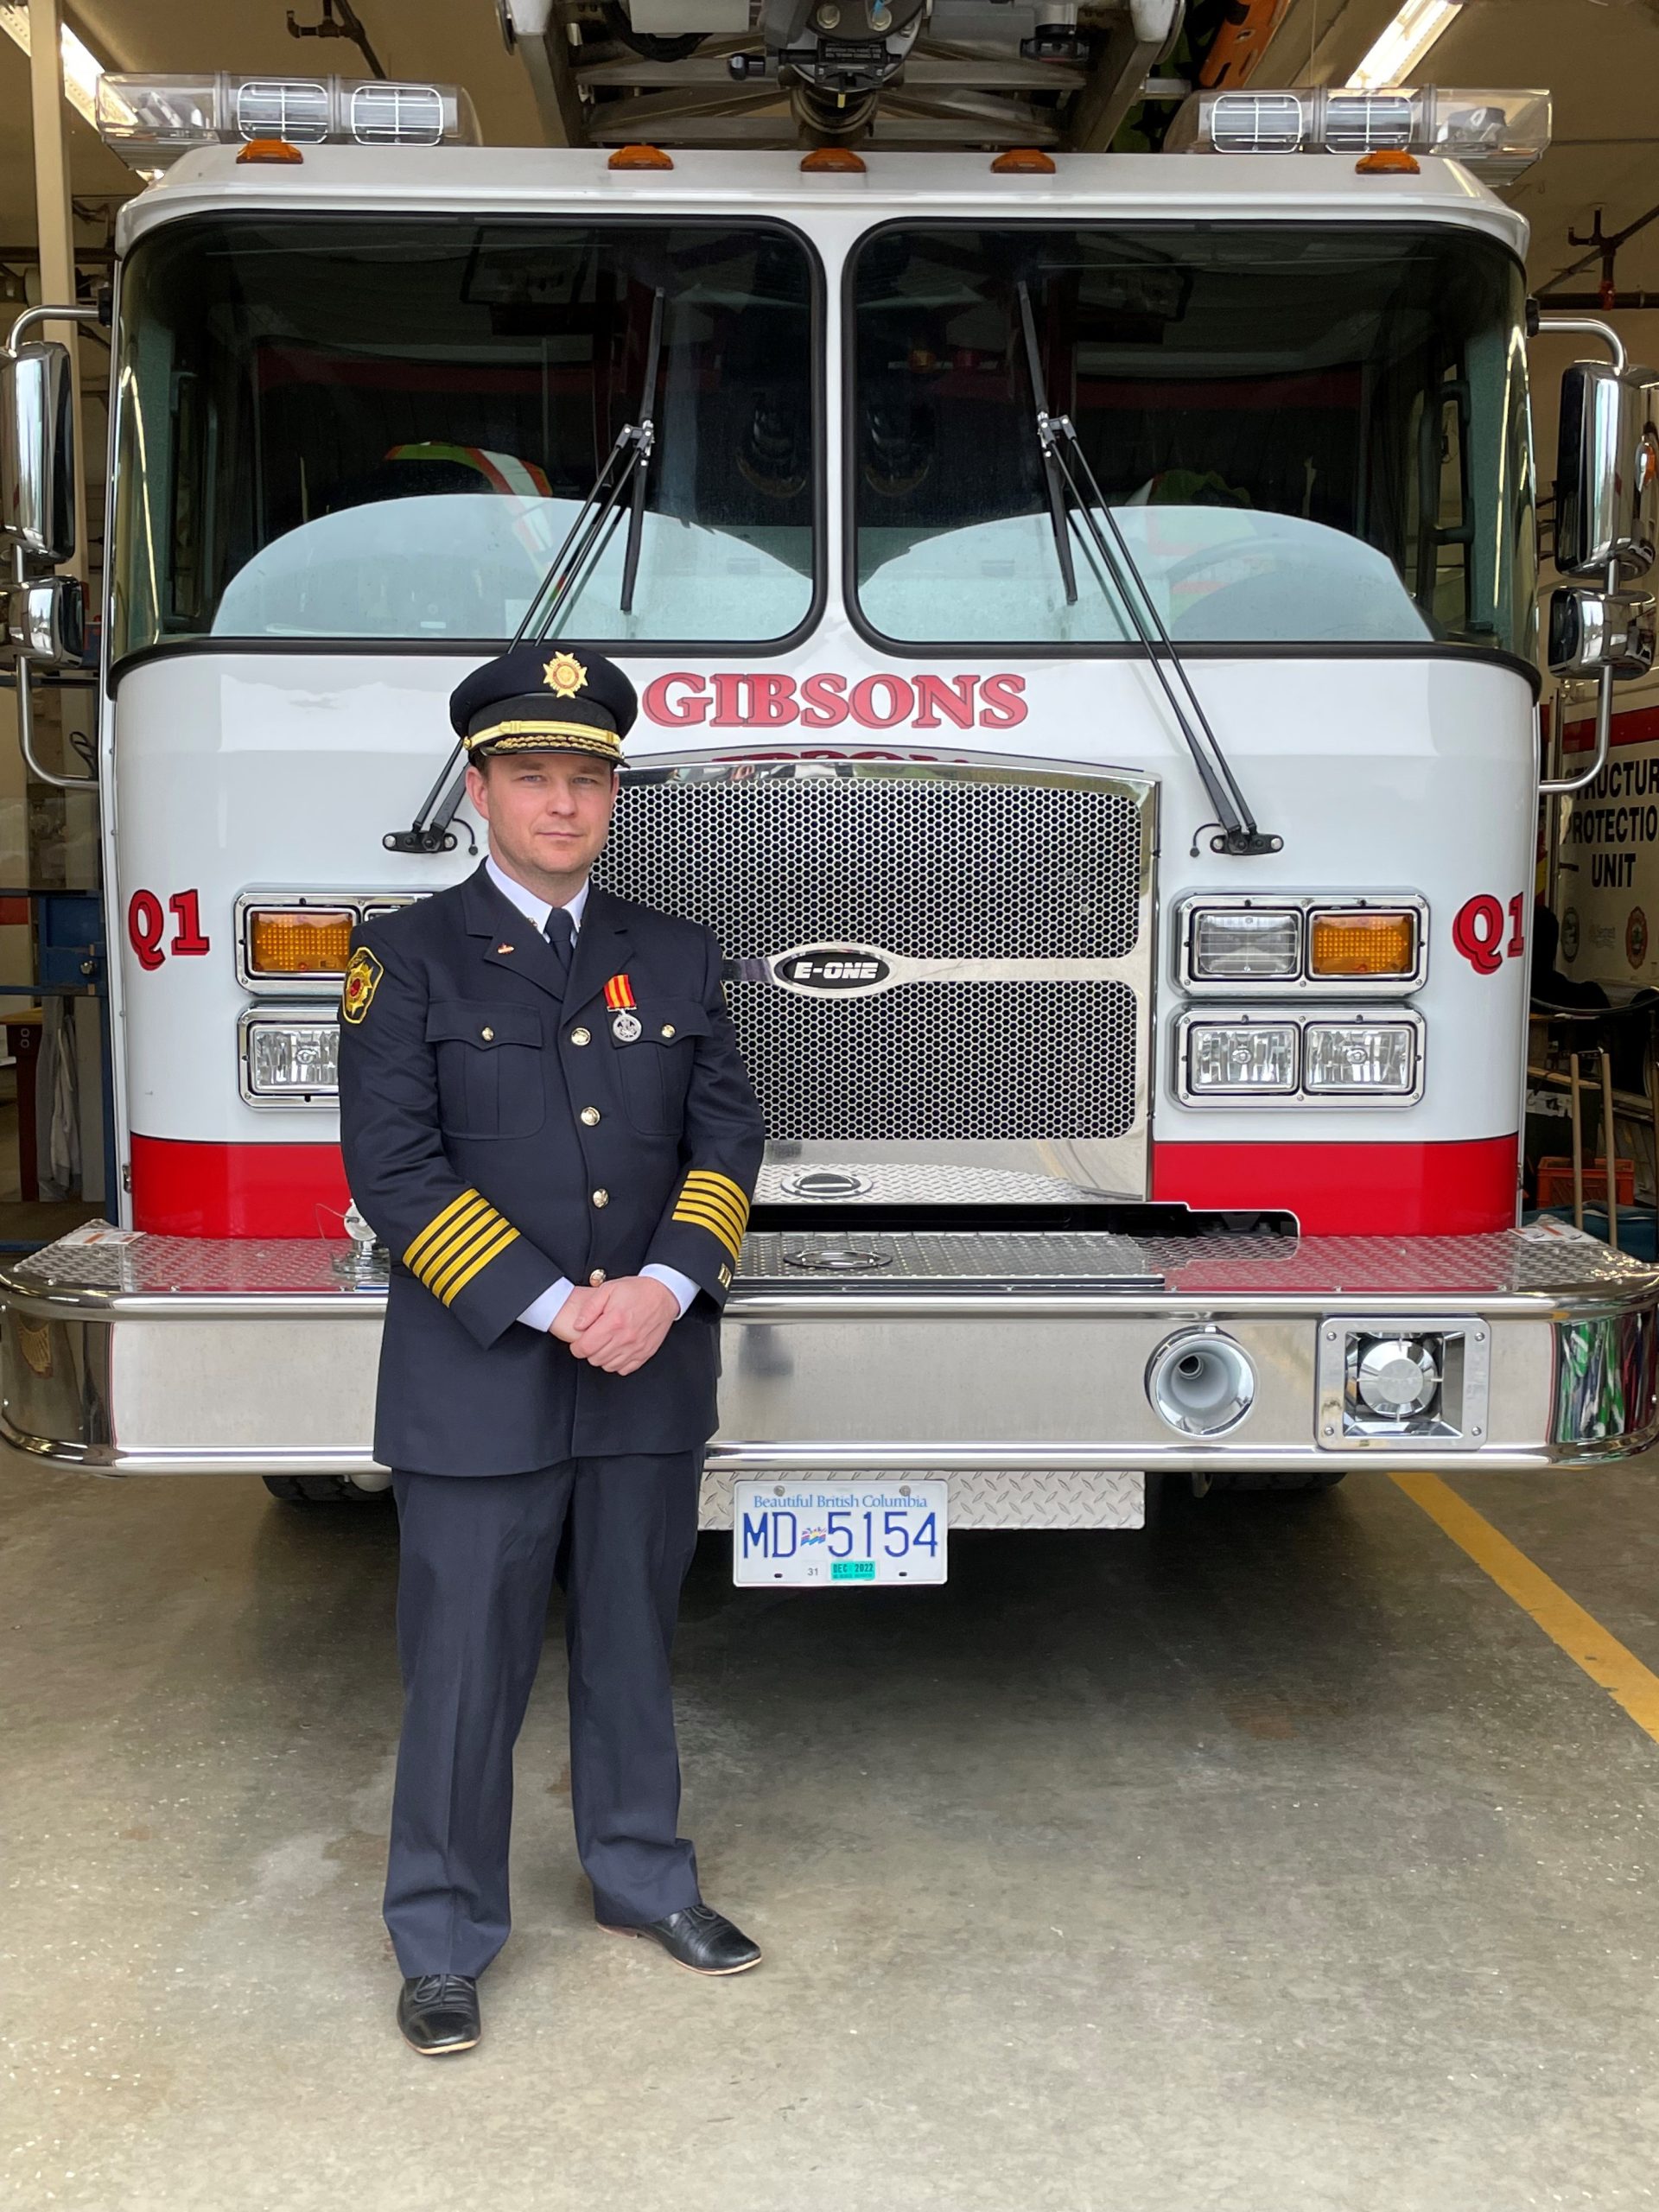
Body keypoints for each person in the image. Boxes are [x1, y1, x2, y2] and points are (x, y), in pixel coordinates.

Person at [337, 641, 767, 2057]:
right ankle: (445, 1934)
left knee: (634, 1647)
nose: (565, 804)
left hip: (646, 1368)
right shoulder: (400, 957)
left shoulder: (677, 954)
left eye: (587, 777)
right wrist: (552, 1301)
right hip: (482, 1376)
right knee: (464, 1666)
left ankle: (643, 1880)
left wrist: (662, 1284)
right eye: (535, 776)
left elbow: (728, 1139)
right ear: (481, 788)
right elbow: (396, 1173)